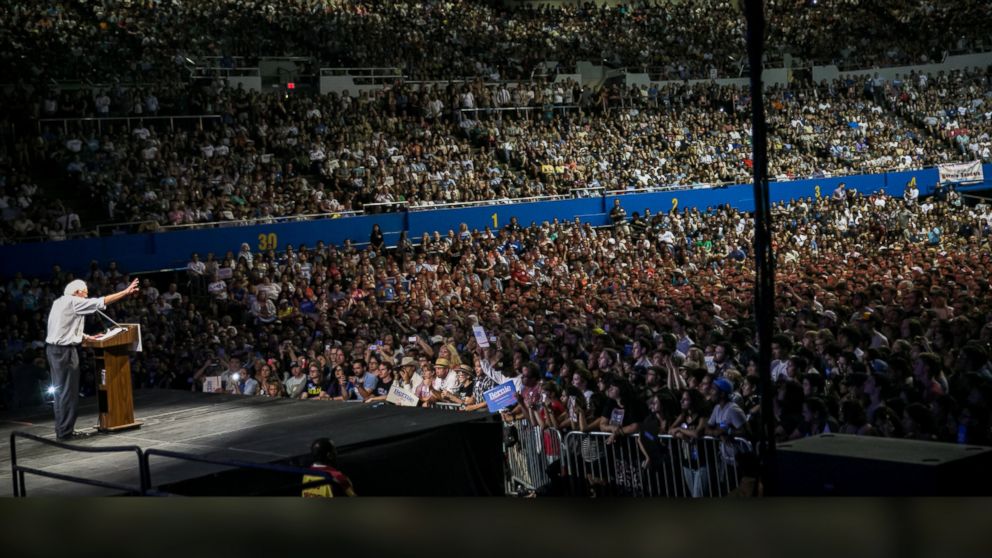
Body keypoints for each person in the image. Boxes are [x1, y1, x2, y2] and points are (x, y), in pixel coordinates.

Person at [45, 277, 139, 440]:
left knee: (62, 393)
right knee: (68, 392)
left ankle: (63, 429)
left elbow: (64, 327)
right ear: (77, 292)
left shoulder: (59, 302)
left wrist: (86, 337)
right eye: (85, 294)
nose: (86, 298)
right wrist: (125, 292)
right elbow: (100, 302)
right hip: (64, 352)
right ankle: (65, 432)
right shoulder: (73, 301)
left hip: (54, 350)